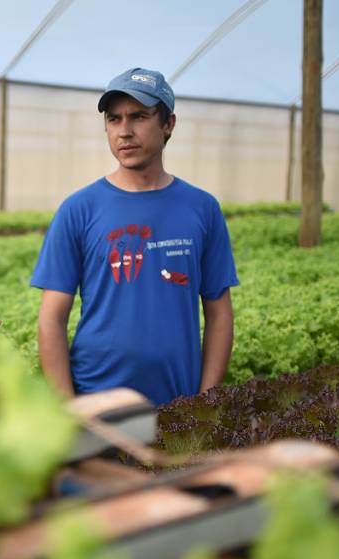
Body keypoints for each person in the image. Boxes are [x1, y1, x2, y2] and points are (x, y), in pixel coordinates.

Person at [31, 67, 238, 406]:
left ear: (168, 123)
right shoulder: (78, 209)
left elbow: (219, 314)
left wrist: (205, 402)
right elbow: (51, 318)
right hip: (96, 400)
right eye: (114, 120)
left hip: (178, 405)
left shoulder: (202, 209)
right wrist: (68, 409)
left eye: (138, 117)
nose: (124, 131)